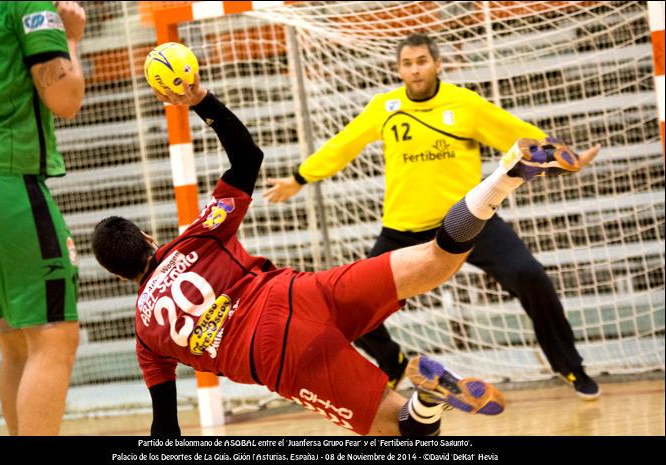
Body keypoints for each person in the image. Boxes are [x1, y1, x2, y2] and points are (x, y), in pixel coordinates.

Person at [91, 75, 595, 436]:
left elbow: (164, 426)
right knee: (439, 259)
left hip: (278, 353)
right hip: (299, 291)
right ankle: (503, 177)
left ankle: (426, 399)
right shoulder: (194, 239)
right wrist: (201, 99)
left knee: (403, 433)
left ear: (118, 277)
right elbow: (248, 159)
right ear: (149, 239)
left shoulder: (145, 334)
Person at [264, 33, 602, 399]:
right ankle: (392, 362)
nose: (415, 69)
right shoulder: (385, 107)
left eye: (422, 61)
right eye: (407, 63)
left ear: (437, 64)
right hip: (404, 229)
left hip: (471, 221)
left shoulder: (465, 104)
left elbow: (514, 132)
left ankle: (570, 367)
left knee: (530, 276)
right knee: (346, 302)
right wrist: (300, 177)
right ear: (398, 69)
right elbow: (343, 144)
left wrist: (563, 157)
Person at [0, 1, 86, 435]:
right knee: (54, 340)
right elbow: (65, 99)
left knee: (16, 346)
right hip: (2, 182)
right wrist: (72, 39)